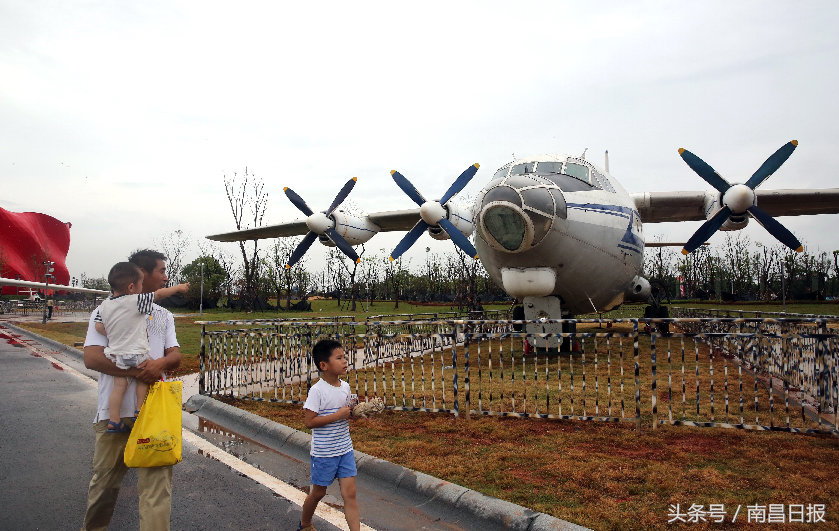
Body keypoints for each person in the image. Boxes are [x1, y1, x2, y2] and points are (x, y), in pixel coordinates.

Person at [81, 249, 183, 531]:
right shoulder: (105, 311)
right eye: (161, 271)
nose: (165, 277)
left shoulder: (163, 315)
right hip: (114, 413)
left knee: (156, 492)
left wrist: (160, 363)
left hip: (153, 415)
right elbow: (92, 357)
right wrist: (140, 372)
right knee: (104, 486)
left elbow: (174, 356)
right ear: (140, 276)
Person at [93, 261, 188, 433]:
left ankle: (114, 419)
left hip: (117, 355)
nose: (142, 287)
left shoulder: (103, 306)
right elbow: (159, 295)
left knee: (119, 386)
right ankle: (139, 409)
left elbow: (99, 327)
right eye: (140, 284)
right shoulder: (136, 301)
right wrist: (179, 288)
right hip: (137, 352)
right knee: (145, 374)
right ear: (131, 287)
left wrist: (115, 333)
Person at [299, 339, 360, 531]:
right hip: (324, 453)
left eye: (345, 357)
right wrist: (337, 415)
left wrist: (356, 415)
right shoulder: (317, 391)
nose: (344, 361)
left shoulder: (345, 387)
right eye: (339, 358)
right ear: (323, 365)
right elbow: (310, 422)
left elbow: (346, 413)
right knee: (318, 493)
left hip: (345, 449)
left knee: (350, 493)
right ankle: (305, 524)